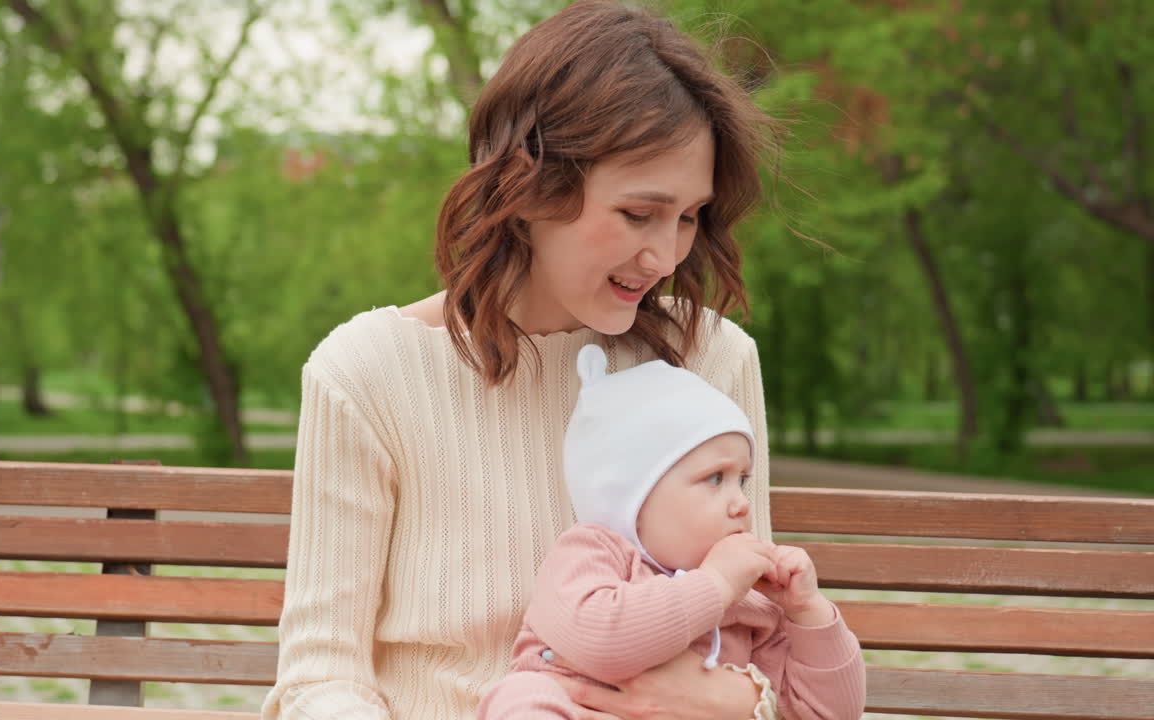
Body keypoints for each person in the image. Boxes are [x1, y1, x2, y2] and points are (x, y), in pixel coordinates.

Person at [261, 1, 786, 717]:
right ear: (530, 184)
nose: (665, 256)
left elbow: (757, 631)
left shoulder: (713, 361)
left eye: (690, 216)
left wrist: (747, 704)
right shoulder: (367, 374)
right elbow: (321, 674)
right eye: (639, 213)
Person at [478, 345, 866, 720]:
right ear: (636, 497)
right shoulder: (591, 554)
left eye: (742, 480)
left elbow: (829, 713)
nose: (741, 503)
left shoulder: (751, 602)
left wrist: (808, 613)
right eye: (716, 478)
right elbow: (602, 644)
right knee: (524, 697)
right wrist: (713, 584)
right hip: (578, 705)